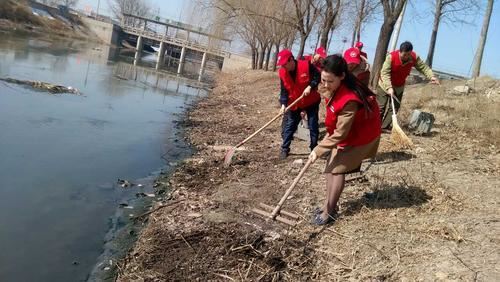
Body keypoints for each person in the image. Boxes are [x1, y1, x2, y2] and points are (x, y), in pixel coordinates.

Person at [308, 54, 381, 225]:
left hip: (362, 135)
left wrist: (318, 150)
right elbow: (336, 122)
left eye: (330, 81)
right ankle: (329, 205)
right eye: (323, 79)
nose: (325, 84)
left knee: (338, 169)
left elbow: (341, 133)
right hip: (347, 131)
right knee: (329, 167)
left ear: (342, 76)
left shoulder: (349, 99)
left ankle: (329, 213)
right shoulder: (335, 87)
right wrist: (325, 142)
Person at [377, 41, 440, 130]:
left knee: (394, 108)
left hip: (399, 86)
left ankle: (383, 127)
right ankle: (374, 126)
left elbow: (423, 67)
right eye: (404, 55)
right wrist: (389, 87)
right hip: (384, 84)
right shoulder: (391, 57)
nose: (406, 57)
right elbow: (384, 73)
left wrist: (431, 76)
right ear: (400, 52)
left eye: (408, 54)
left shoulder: (414, 57)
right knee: (380, 107)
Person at [277, 49, 321, 159]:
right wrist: (283, 104)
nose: (283, 67)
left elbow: (317, 76)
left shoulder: (306, 65)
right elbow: (284, 90)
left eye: (284, 64)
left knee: (313, 125)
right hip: (295, 103)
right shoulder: (282, 72)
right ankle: (285, 148)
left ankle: (314, 149)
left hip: (311, 101)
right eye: (281, 65)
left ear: (291, 60)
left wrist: (310, 86)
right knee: (290, 125)